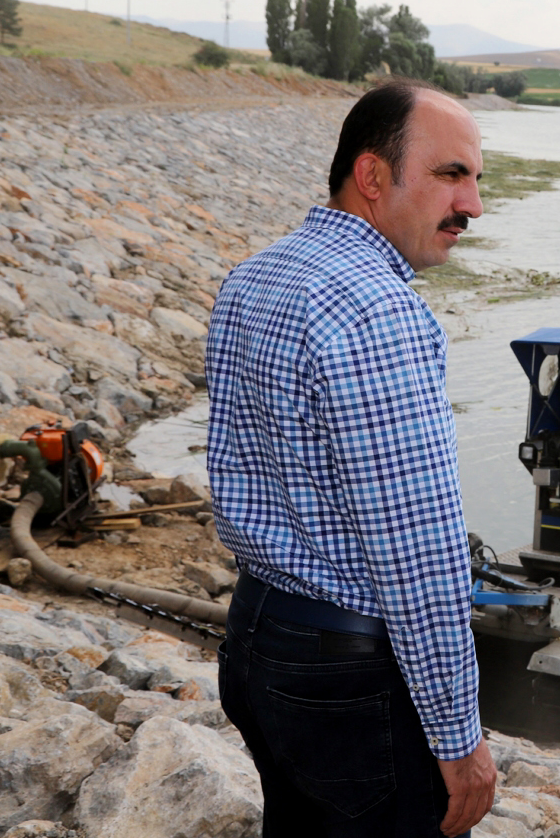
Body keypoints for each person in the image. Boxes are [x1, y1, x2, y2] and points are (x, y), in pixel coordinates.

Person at [206, 78, 496, 838]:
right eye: (450, 174)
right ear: (372, 177)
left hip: (257, 635)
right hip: (346, 675)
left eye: (475, 178)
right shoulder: (378, 309)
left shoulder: (255, 275)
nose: (472, 204)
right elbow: (418, 552)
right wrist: (458, 738)